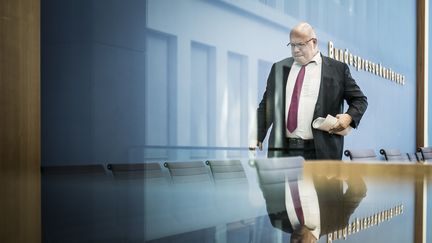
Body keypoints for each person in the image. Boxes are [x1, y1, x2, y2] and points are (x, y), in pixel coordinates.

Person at [252, 22, 368, 159]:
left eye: (300, 45)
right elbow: (267, 105)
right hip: (283, 149)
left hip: (321, 151)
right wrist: (257, 135)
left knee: (321, 182)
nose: (295, 50)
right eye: (292, 45)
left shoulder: (337, 69)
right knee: (279, 181)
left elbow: (360, 100)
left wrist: (349, 117)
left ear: (314, 42)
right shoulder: (279, 67)